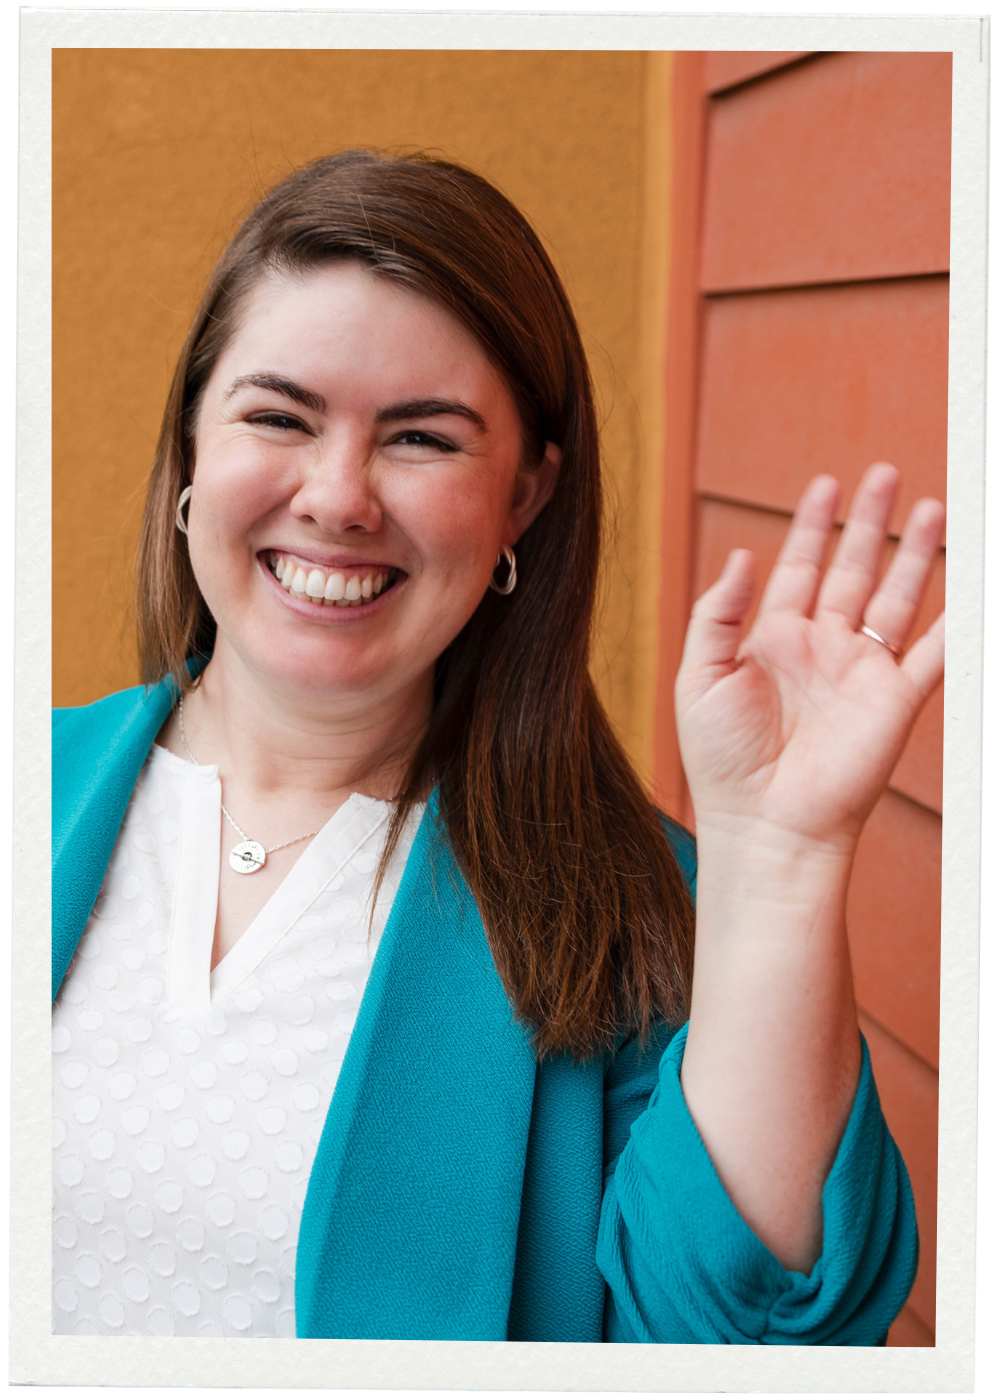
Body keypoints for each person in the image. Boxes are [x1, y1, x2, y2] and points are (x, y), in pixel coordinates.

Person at [51, 149, 943, 1342]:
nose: (337, 494)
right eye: (277, 415)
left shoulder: (639, 915)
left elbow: (753, 1339)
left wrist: (778, 862)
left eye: (420, 438)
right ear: (193, 450)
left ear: (524, 496)